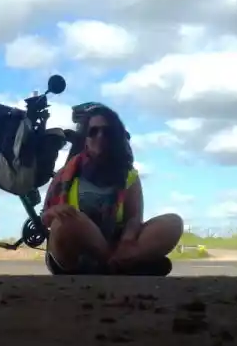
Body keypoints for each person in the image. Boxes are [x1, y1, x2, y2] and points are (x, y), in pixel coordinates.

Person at [41, 103, 183, 275]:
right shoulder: (66, 174)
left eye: (106, 132)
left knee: (173, 223)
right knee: (65, 223)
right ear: (85, 138)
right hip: (76, 250)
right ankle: (122, 264)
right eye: (93, 132)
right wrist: (55, 211)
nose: (100, 136)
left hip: (118, 242)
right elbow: (45, 217)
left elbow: (133, 218)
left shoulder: (128, 174)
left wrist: (127, 241)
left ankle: (119, 261)